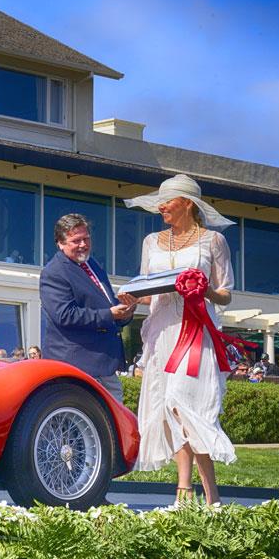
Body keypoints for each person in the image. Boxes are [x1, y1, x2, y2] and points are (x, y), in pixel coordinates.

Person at [122, 173, 237, 506]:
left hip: (195, 332)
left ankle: (209, 493)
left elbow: (226, 294)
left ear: (188, 203)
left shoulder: (213, 241)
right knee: (168, 409)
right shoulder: (151, 242)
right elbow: (148, 290)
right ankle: (185, 491)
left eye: (167, 201)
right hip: (161, 335)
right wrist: (132, 298)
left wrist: (206, 290)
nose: (161, 208)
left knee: (187, 405)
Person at [40, 213, 135, 403]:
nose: (83, 244)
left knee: (114, 422)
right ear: (60, 243)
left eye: (86, 238)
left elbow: (106, 305)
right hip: (77, 364)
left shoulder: (92, 265)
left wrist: (125, 311)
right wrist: (109, 314)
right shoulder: (54, 272)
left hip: (103, 363)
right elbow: (64, 315)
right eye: (76, 241)